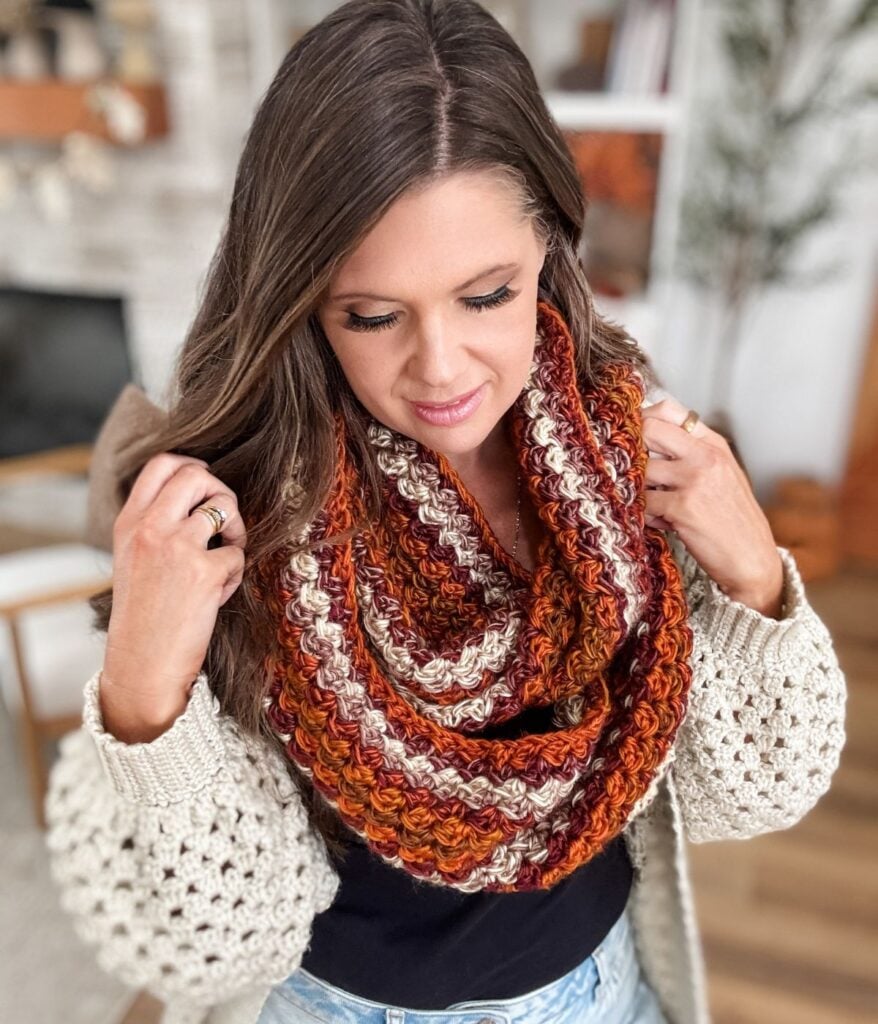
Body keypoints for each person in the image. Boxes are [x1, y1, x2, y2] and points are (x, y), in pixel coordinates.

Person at [44, 2, 847, 1023]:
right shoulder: (232, 513)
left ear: (547, 249)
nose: (440, 367)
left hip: (592, 996)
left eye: (485, 296)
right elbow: (219, 940)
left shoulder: (629, 458)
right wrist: (146, 695)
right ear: (298, 297)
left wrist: (750, 572)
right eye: (371, 315)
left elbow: (756, 793)